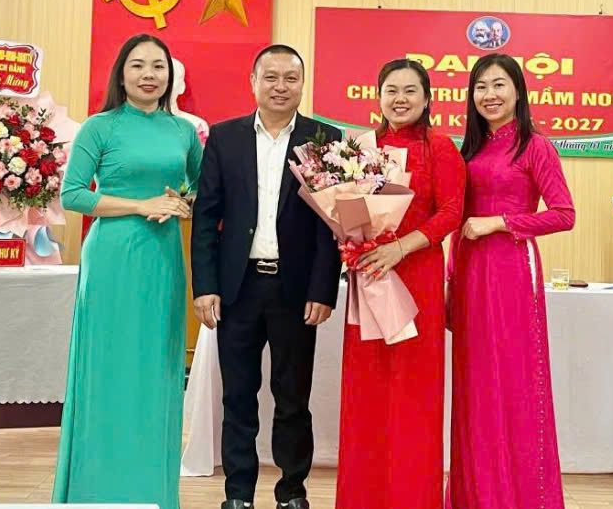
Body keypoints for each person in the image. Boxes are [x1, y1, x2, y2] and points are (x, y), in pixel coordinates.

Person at [52, 34, 202, 509]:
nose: (148, 75)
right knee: (107, 364)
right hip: (112, 256)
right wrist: (141, 205)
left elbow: (203, 187)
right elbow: (74, 194)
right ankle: (94, 490)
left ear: (170, 76)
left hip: (162, 258)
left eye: (158, 66)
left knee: (155, 366)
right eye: (137, 65)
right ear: (121, 73)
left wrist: (182, 200)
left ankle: (150, 491)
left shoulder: (183, 131)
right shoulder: (99, 127)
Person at [191, 44, 343, 509]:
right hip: (237, 288)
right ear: (253, 82)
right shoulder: (225, 137)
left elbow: (331, 223)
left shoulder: (324, 138)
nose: (281, 87)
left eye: (290, 78)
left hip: (295, 291)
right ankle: (237, 494)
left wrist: (323, 288)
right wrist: (205, 286)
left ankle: (292, 492)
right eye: (271, 77)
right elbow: (206, 216)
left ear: (303, 84)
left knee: (292, 398)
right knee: (238, 397)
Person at [445, 53, 575, 508]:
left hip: (513, 272)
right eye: (480, 87)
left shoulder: (534, 146)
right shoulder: (469, 149)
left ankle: (519, 496)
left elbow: (563, 214)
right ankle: (475, 495)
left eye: (499, 85)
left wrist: (500, 222)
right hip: (469, 275)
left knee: (515, 384)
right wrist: (450, 282)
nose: (490, 95)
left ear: (518, 91)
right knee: (475, 389)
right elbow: (457, 224)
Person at [335, 59, 465, 509]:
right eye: (392, 90)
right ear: (379, 96)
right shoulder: (359, 148)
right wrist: (353, 239)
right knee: (366, 389)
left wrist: (400, 248)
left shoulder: (440, 148)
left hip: (418, 276)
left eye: (411, 91)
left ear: (427, 99)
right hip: (370, 275)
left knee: (415, 391)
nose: (400, 99)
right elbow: (344, 208)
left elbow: (452, 212)